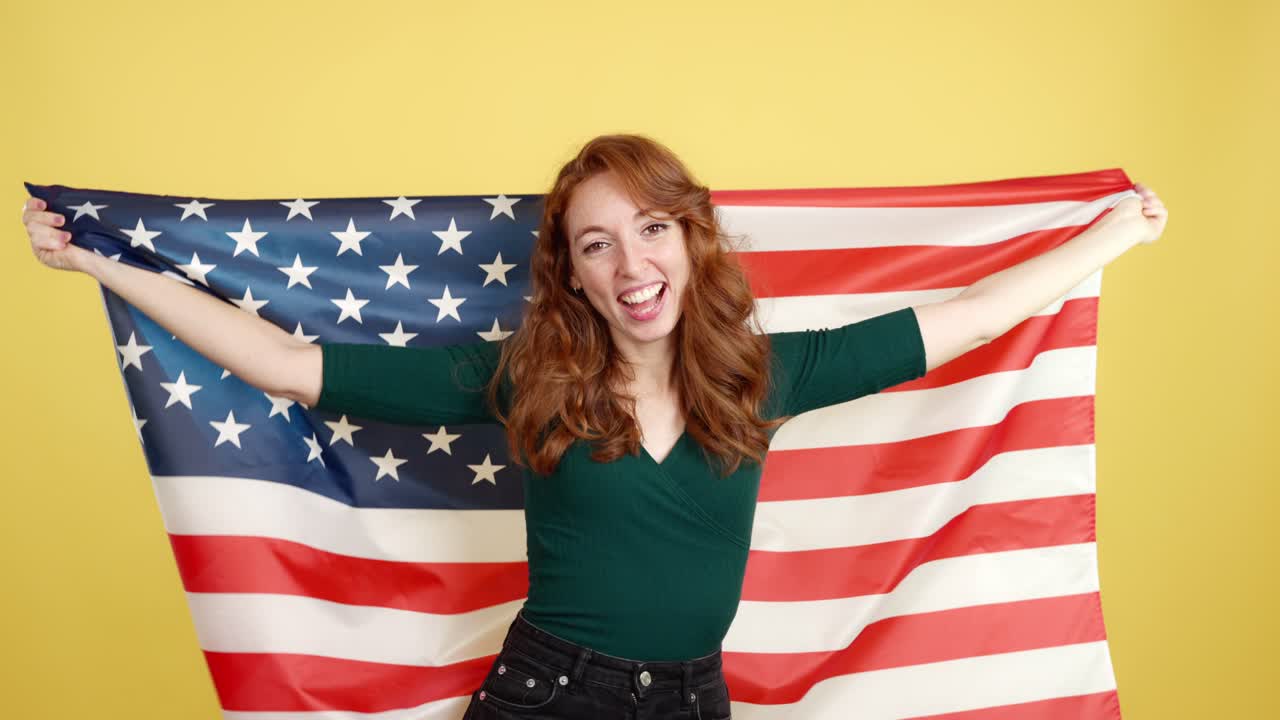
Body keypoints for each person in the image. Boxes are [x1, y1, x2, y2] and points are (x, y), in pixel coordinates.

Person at [22, 134, 1167, 720]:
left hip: (691, 698)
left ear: (690, 242)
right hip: (547, 699)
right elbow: (288, 362)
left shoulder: (764, 377)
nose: (630, 262)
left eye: (652, 230)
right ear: (569, 273)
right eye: (595, 243)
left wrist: (1114, 237)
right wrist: (99, 263)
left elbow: (961, 317)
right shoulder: (523, 376)